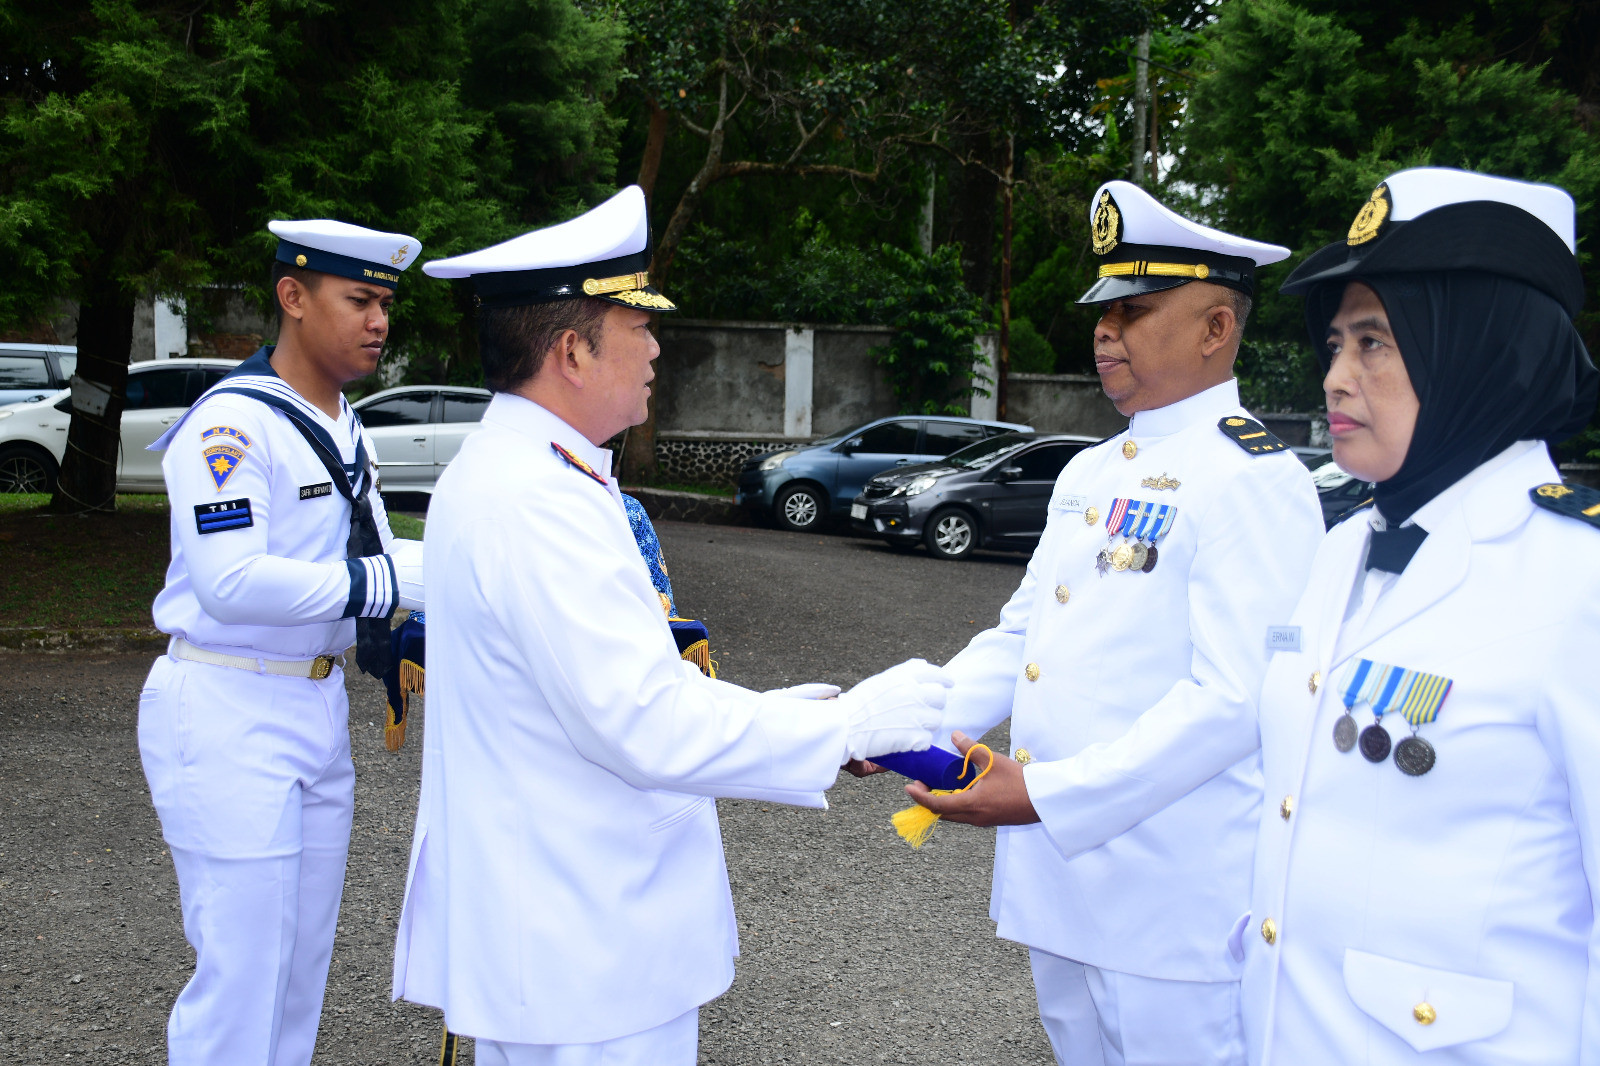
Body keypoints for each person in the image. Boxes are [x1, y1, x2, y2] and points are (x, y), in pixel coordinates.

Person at [389, 185, 951, 1066]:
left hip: (570, 929)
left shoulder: (533, 471)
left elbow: (599, 692)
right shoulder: (538, 497)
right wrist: (844, 725)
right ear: (573, 351)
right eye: (638, 327)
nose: (656, 347)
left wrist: (797, 717)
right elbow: (642, 720)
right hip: (584, 945)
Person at [884, 181, 1325, 1066]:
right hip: (1065, 880)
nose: (1106, 331)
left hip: (1173, 898)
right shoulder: (1090, 469)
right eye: (1103, 312)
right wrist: (908, 724)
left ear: (1216, 329)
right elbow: (1022, 640)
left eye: (1137, 310)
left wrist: (1043, 794)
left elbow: (1236, 699)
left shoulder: (1253, 477)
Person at [1240, 168, 1600, 1064]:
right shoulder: (1344, 549)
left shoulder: (1577, 580)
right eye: (1334, 344)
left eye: (1375, 343)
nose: (1335, 378)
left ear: (1480, 347)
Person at [137, 219, 427, 1064]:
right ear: (293, 298)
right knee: (242, 976)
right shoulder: (230, 425)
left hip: (312, 698)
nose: (379, 320)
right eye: (361, 299)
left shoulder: (342, 421)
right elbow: (230, 583)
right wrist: (392, 584)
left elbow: (373, 546)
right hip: (228, 702)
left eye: (386, 303)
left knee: (300, 969)